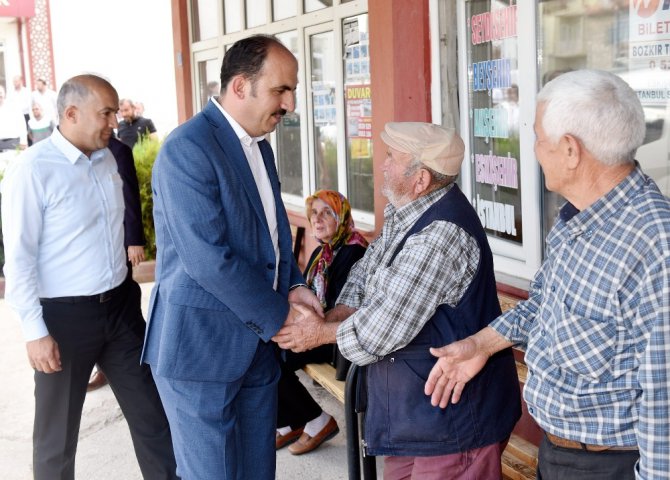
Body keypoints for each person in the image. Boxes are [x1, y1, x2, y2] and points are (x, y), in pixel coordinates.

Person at [424, 70, 670, 480]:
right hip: (559, 453)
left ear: (571, 150)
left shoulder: (655, 244)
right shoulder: (577, 219)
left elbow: (665, 400)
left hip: (611, 467)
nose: (534, 150)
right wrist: (482, 344)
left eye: (538, 137)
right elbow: (544, 306)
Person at [274, 122, 521, 479]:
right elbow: (364, 278)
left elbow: (381, 329)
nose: (383, 165)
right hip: (416, 418)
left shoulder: (441, 233)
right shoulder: (405, 213)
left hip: (453, 423)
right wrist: (329, 317)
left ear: (420, 179)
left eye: (391, 157)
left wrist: (317, 334)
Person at [141, 34, 321, 480]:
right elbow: (209, 260)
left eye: (292, 90)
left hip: (256, 350)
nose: (290, 103)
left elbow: (274, 236)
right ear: (240, 87)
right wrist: (285, 319)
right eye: (281, 90)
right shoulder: (187, 149)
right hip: (200, 351)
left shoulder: (258, 144)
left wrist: (296, 285)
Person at [1, 74, 178, 480]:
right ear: (71, 113)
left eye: (115, 112)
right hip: (64, 321)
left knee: (154, 418)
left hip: (120, 309)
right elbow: (20, 260)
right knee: (56, 439)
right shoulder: (32, 171)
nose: (114, 122)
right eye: (106, 113)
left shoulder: (109, 158)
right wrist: (34, 330)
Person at [276, 190, 368, 455]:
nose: (318, 218)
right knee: (268, 347)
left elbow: (341, 308)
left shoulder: (353, 251)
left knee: (276, 356)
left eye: (327, 212)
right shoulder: (323, 252)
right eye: (314, 213)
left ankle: (318, 421)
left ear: (341, 217)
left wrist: (304, 327)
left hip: (337, 337)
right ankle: (287, 421)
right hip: (319, 328)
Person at [87, 136, 147, 392]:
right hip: (91, 247)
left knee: (122, 303)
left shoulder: (117, 150)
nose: (111, 122)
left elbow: (129, 195)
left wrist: (134, 240)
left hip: (119, 242)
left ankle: (130, 364)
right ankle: (102, 366)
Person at [0, 84, 28, 152]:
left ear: (4, 94)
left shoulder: (13, 107)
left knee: (15, 162)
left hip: (13, 142)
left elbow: (22, 124)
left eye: (0, 93)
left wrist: (23, 141)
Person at [10, 75, 32, 142]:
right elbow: (10, 104)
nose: (14, 83)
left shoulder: (26, 91)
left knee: (27, 133)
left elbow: (28, 104)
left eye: (16, 81)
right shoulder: (11, 93)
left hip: (25, 115)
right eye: (13, 82)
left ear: (20, 81)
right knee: (18, 133)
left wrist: (18, 109)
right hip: (15, 116)